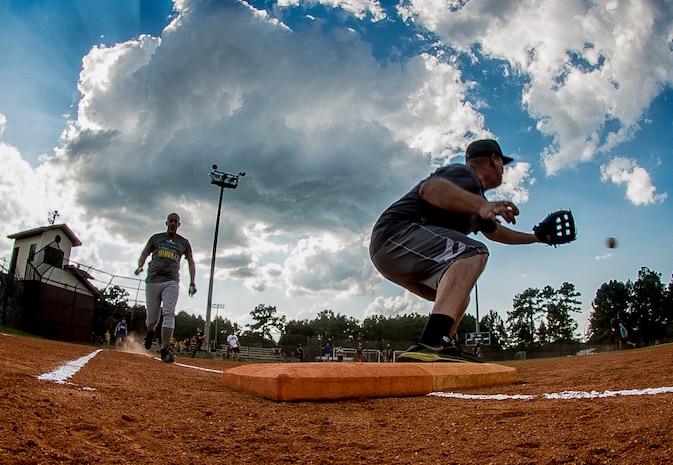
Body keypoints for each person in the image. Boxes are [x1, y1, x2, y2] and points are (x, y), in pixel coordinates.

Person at [370, 139, 541, 363]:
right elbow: (430, 189)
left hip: (398, 252)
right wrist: (482, 206)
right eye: (502, 164)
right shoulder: (466, 175)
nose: (502, 170)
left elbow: (496, 233)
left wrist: (538, 238)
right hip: (397, 236)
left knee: (461, 293)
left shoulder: (473, 200)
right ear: (494, 159)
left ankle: (440, 349)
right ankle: (432, 342)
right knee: (473, 252)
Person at [136, 213, 196, 363]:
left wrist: (192, 282)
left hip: (172, 281)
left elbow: (191, 262)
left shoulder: (184, 243)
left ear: (179, 225)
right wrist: (140, 266)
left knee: (169, 312)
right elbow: (144, 253)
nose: (173, 223)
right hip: (153, 281)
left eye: (176, 221)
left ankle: (165, 349)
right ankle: (151, 331)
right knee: (152, 319)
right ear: (166, 223)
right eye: (171, 221)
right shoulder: (156, 238)